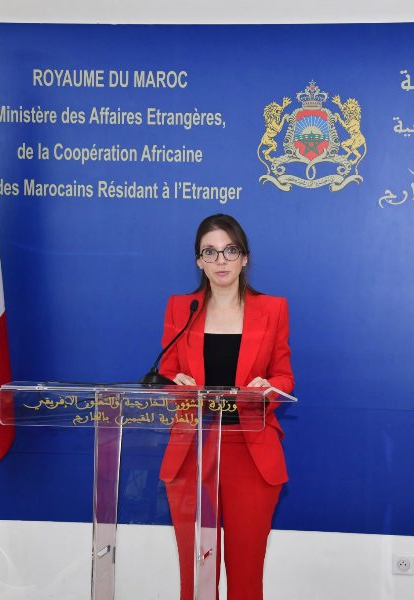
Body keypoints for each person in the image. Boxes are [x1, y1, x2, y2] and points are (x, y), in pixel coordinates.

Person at [157, 213, 294, 600]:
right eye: (210, 252)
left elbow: (285, 377)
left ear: (244, 258)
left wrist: (268, 387)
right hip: (193, 451)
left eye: (230, 250)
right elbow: (165, 373)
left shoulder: (273, 309)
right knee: (196, 577)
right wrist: (175, 383)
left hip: (250, 453)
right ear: (198, 261)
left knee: (246, 577)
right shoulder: (181, 308)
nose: (221, 260)